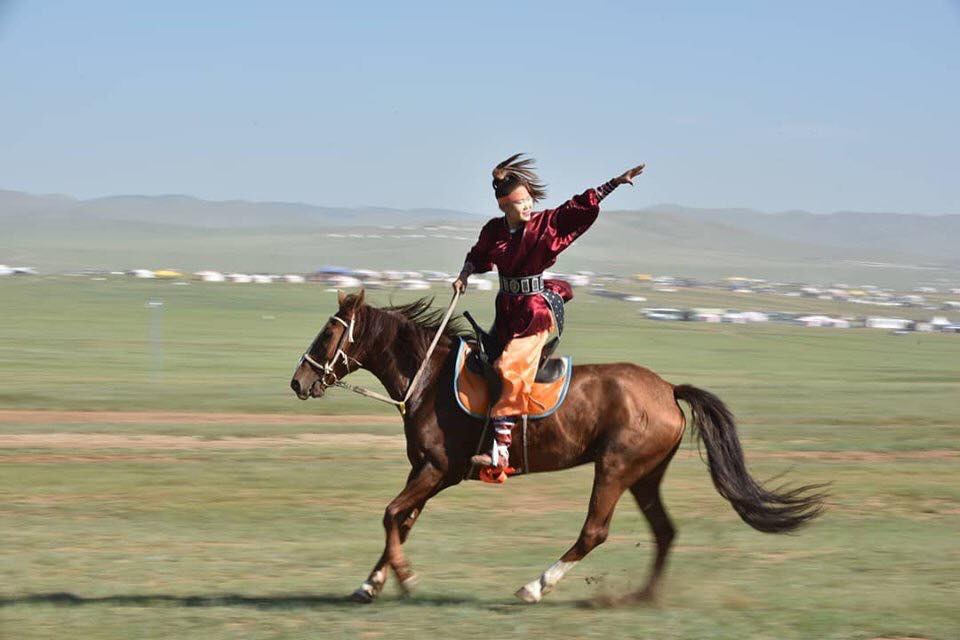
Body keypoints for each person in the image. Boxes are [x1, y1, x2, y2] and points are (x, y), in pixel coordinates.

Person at [453, 153, 645, 482]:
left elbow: (577, 208)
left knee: (509, 368)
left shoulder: (546, 225)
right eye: (520, 202)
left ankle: (500, 453)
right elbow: (478, 255)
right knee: (478, 362)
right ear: (504, 205)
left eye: (529, 200)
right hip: (506, 312)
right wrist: (464, 275)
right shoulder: (493, 231)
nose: (527, 206)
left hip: (534, 314)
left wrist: (613, 184)